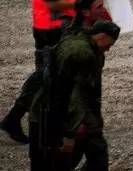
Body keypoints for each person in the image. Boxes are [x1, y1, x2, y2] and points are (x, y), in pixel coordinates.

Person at [2, 0, 87, 144]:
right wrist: (80, 4)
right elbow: (52, 1)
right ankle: (15, 117)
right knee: (46, 75)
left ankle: (24, 118)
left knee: (50, 74)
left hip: (50, 25)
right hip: (51, 28)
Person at [28, 20, 121, 171]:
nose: (108, 49)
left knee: (93, 155)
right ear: (102, 37)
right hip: (59, 115)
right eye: (109, 44)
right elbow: (76, 94)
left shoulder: (77, 41)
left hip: (50, 111)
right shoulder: (84, 54)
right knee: (63, 160)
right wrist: (70, 133)